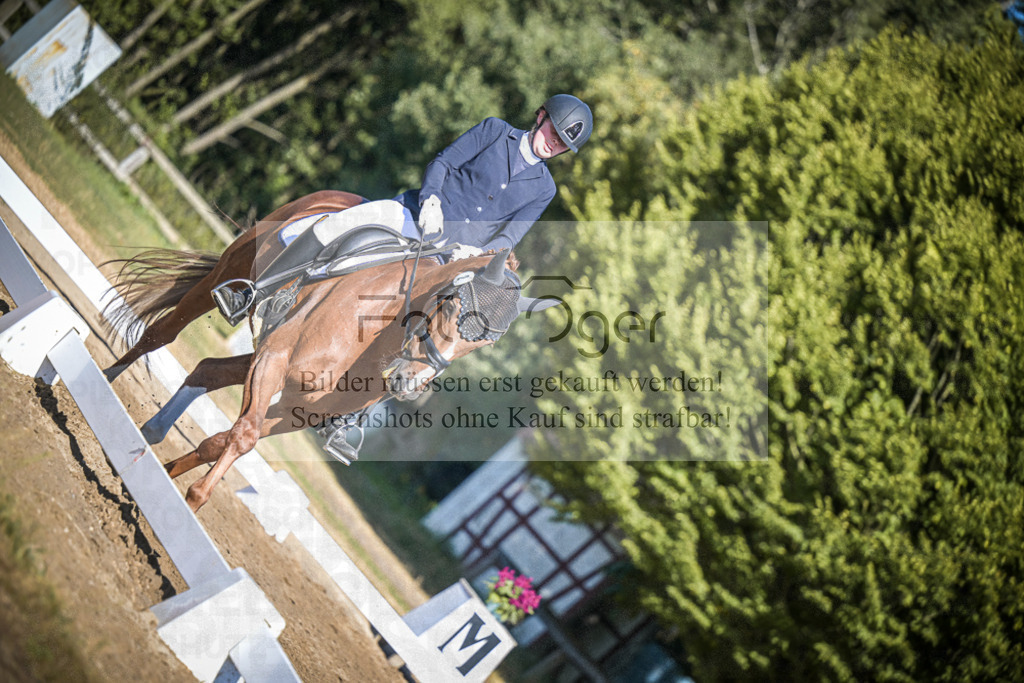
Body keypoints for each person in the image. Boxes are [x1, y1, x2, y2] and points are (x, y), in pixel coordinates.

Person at [213, 94, 592, 323]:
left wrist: (481, 253)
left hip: (452, 256)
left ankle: (349, 414)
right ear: (540, 116)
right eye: (552, 133)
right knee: (342, 224)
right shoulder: (495, 131)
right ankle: (254, 290)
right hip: (415, 216)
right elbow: (443, 162)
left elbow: (512, 233)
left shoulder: (544, 189)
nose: (552, 144)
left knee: (438, 327)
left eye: (560, 145)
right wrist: (430, 199)